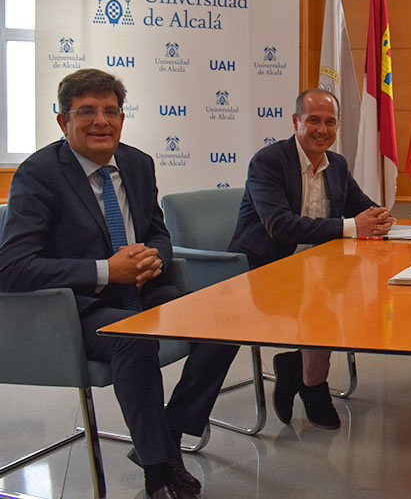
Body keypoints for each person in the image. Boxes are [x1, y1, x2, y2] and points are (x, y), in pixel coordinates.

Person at [0, 69, 238, 499]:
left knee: (221, 322)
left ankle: (167, 429)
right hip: (73, 310)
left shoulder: (137, 162)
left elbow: (158, 233)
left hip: (142, 291)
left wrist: (154, 258)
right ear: (62, 121)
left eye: (111, 111)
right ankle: (160, 468)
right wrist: (108, 270)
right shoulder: (38, 174)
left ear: (123, 118)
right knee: (135, 339)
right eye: (86, 111)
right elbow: (13, 268)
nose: (101, 121)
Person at [228, 88, 395, 429]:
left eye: (330, 122)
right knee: (331, 300)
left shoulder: (337, 165)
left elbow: (361, 207)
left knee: (360, 294)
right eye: (313, 120)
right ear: (296, 122)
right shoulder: (268, 162)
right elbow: (280, 227)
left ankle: (296, 367)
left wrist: (378, 216)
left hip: (317, 268)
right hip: (264, 272)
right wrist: (352, 225)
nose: (322, 130)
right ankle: (314, 385)